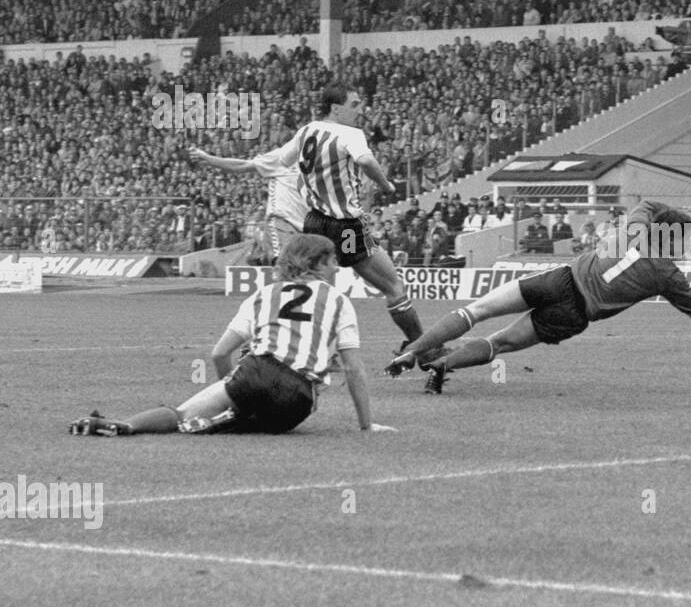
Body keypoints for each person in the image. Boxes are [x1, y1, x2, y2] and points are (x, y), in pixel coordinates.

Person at [386, 201, 691, 394]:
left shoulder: (639, 228)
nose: (690, 251)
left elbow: (651, 204)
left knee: (476, 310)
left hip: (560, 280)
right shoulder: (669, 276)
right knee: (500, 344)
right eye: (689, 243)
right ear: (673, 239)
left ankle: (414, 350)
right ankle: (442, 367)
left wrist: (689, 219)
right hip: (574, 313)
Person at [68, 234, 396, 436]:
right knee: (258, 420)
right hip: (298, 401)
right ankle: (234, 419)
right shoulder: (338, 300)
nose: (337, 268)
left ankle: (127, 425)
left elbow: (219, 353)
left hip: (255, 374)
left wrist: (233, 387)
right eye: (332, 261)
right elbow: (353, 368)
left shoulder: (264, 294)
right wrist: (367, 426)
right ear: (316, 263)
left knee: (182, 414)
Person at [268, 83, 429, 359]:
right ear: (335, 108)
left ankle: (282, 345)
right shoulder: (350, 133)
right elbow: (366, 161)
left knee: (309, 289)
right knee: (393, 287)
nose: (360, 109)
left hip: (315, 224)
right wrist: (386, 185)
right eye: (354, 104)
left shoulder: (306, 130)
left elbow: (284, 160)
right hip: (346, 228)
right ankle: (425, 349)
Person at [189, 140, 307, 261]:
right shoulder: (281, 157)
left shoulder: (322, 164)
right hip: (283, 221)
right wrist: (207, 158)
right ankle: (261, 251)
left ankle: (259, 253)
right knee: (284, 263)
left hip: (309, 226)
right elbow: (242, 165)